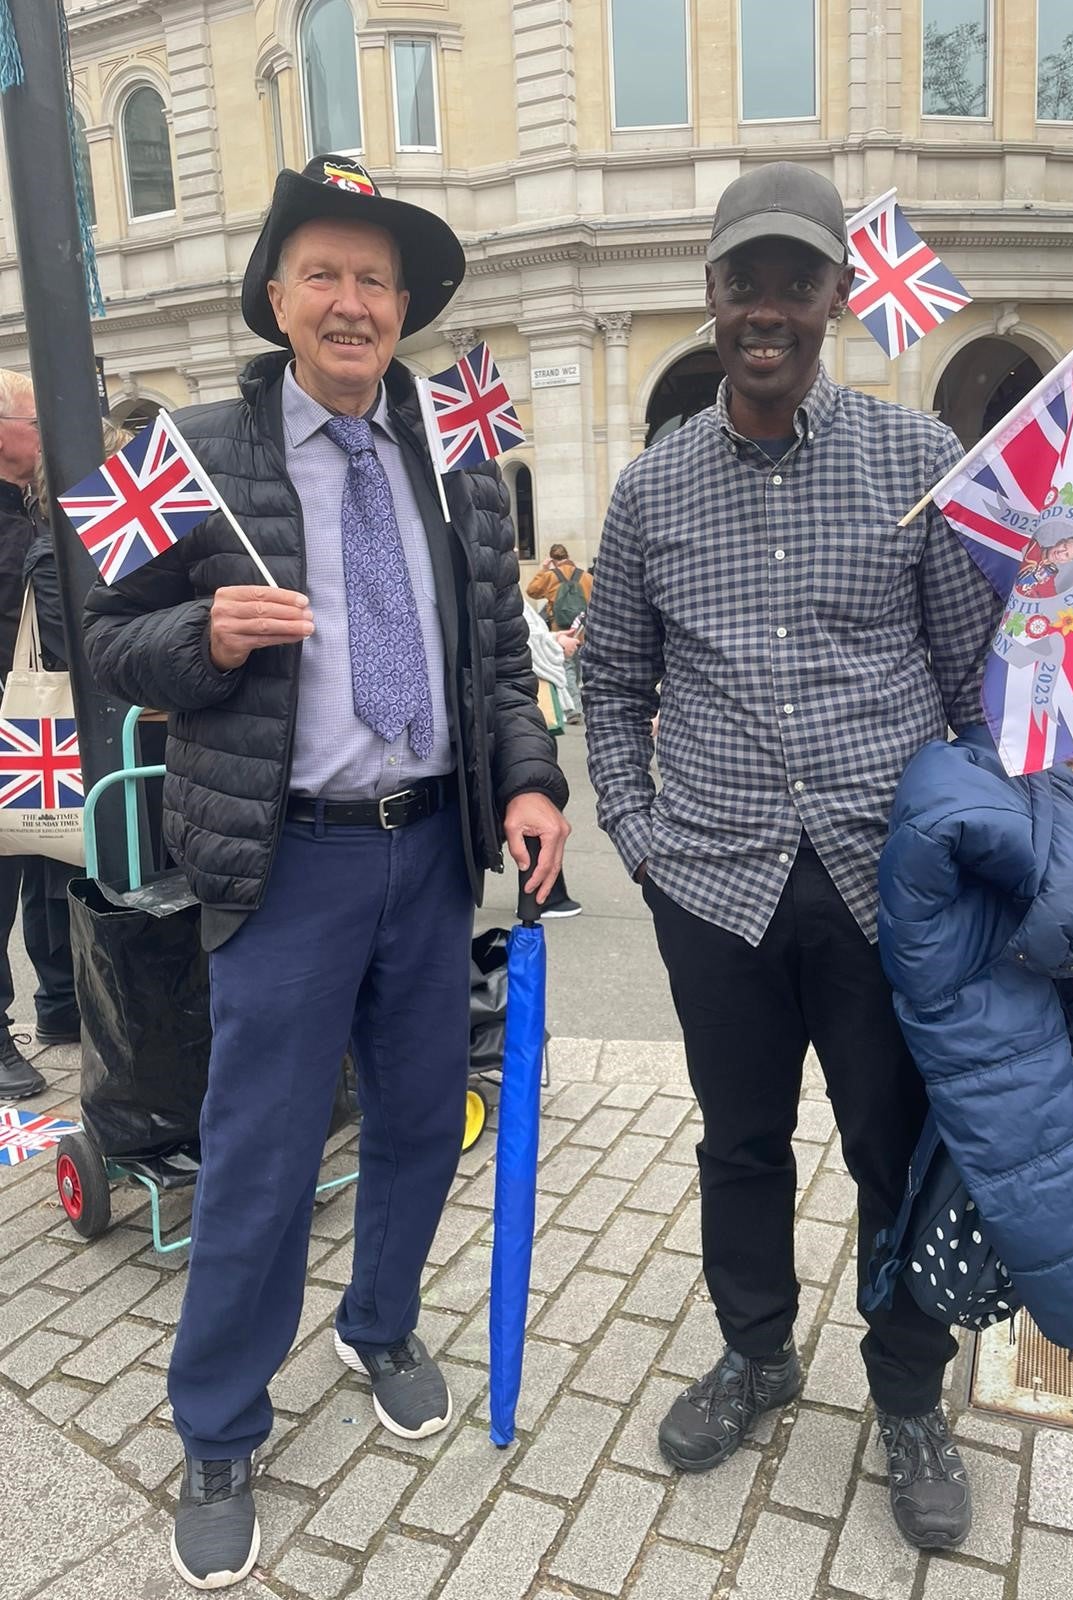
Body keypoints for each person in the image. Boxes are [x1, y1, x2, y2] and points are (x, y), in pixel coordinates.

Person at [83, 156, 569, 1591]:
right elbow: (108, 639)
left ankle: (379, 1324)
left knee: (421, 1121)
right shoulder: (194, 452)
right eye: (324, 275)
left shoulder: (455, 457)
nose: (351, 302)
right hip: (284, 864)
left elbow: (498, 659)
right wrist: (206, 639)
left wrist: (530, 780)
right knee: (262, 1156)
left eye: (375, 279)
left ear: (403, 306)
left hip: (429, 853)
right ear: (278, 296)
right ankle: (219, 1426)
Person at [584, 162, 1002, 1551]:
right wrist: (642, 840)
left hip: (889, 885)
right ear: (710, 295)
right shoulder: (651, 491)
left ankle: (909, 1393)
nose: (767, 309)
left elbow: (973, 677)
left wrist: (991, 847)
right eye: (743, 282)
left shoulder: (910, 461)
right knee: (742, 1141)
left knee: (896, 1147)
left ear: (837, 296)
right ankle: (758, 1350)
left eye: (796, 283)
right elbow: (610, 684)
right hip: (716, 884)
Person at [0, 369, 81, 1102]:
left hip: (37, 721)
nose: (47, 434)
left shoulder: (34, 508)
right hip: (9, 717)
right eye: (36, 421)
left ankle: (60, 1002)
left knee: (49, 857)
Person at [522, 596, 582, 916]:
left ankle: (543, 894)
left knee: (537, 803)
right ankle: (543, 895)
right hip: (525, 715)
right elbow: (517, 643)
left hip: (520, 716)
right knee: (539, 803)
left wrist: (553, 638)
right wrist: (555, 644)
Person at [526, 542, 591, 721]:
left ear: (552, 559)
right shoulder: (586, 577)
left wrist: (543, 569)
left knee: (567, 666)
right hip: (583, 629)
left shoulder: (550, 576)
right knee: (579, 667)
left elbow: (532, 591)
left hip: (560, 629)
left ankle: (575, 708)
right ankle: (582, 704)